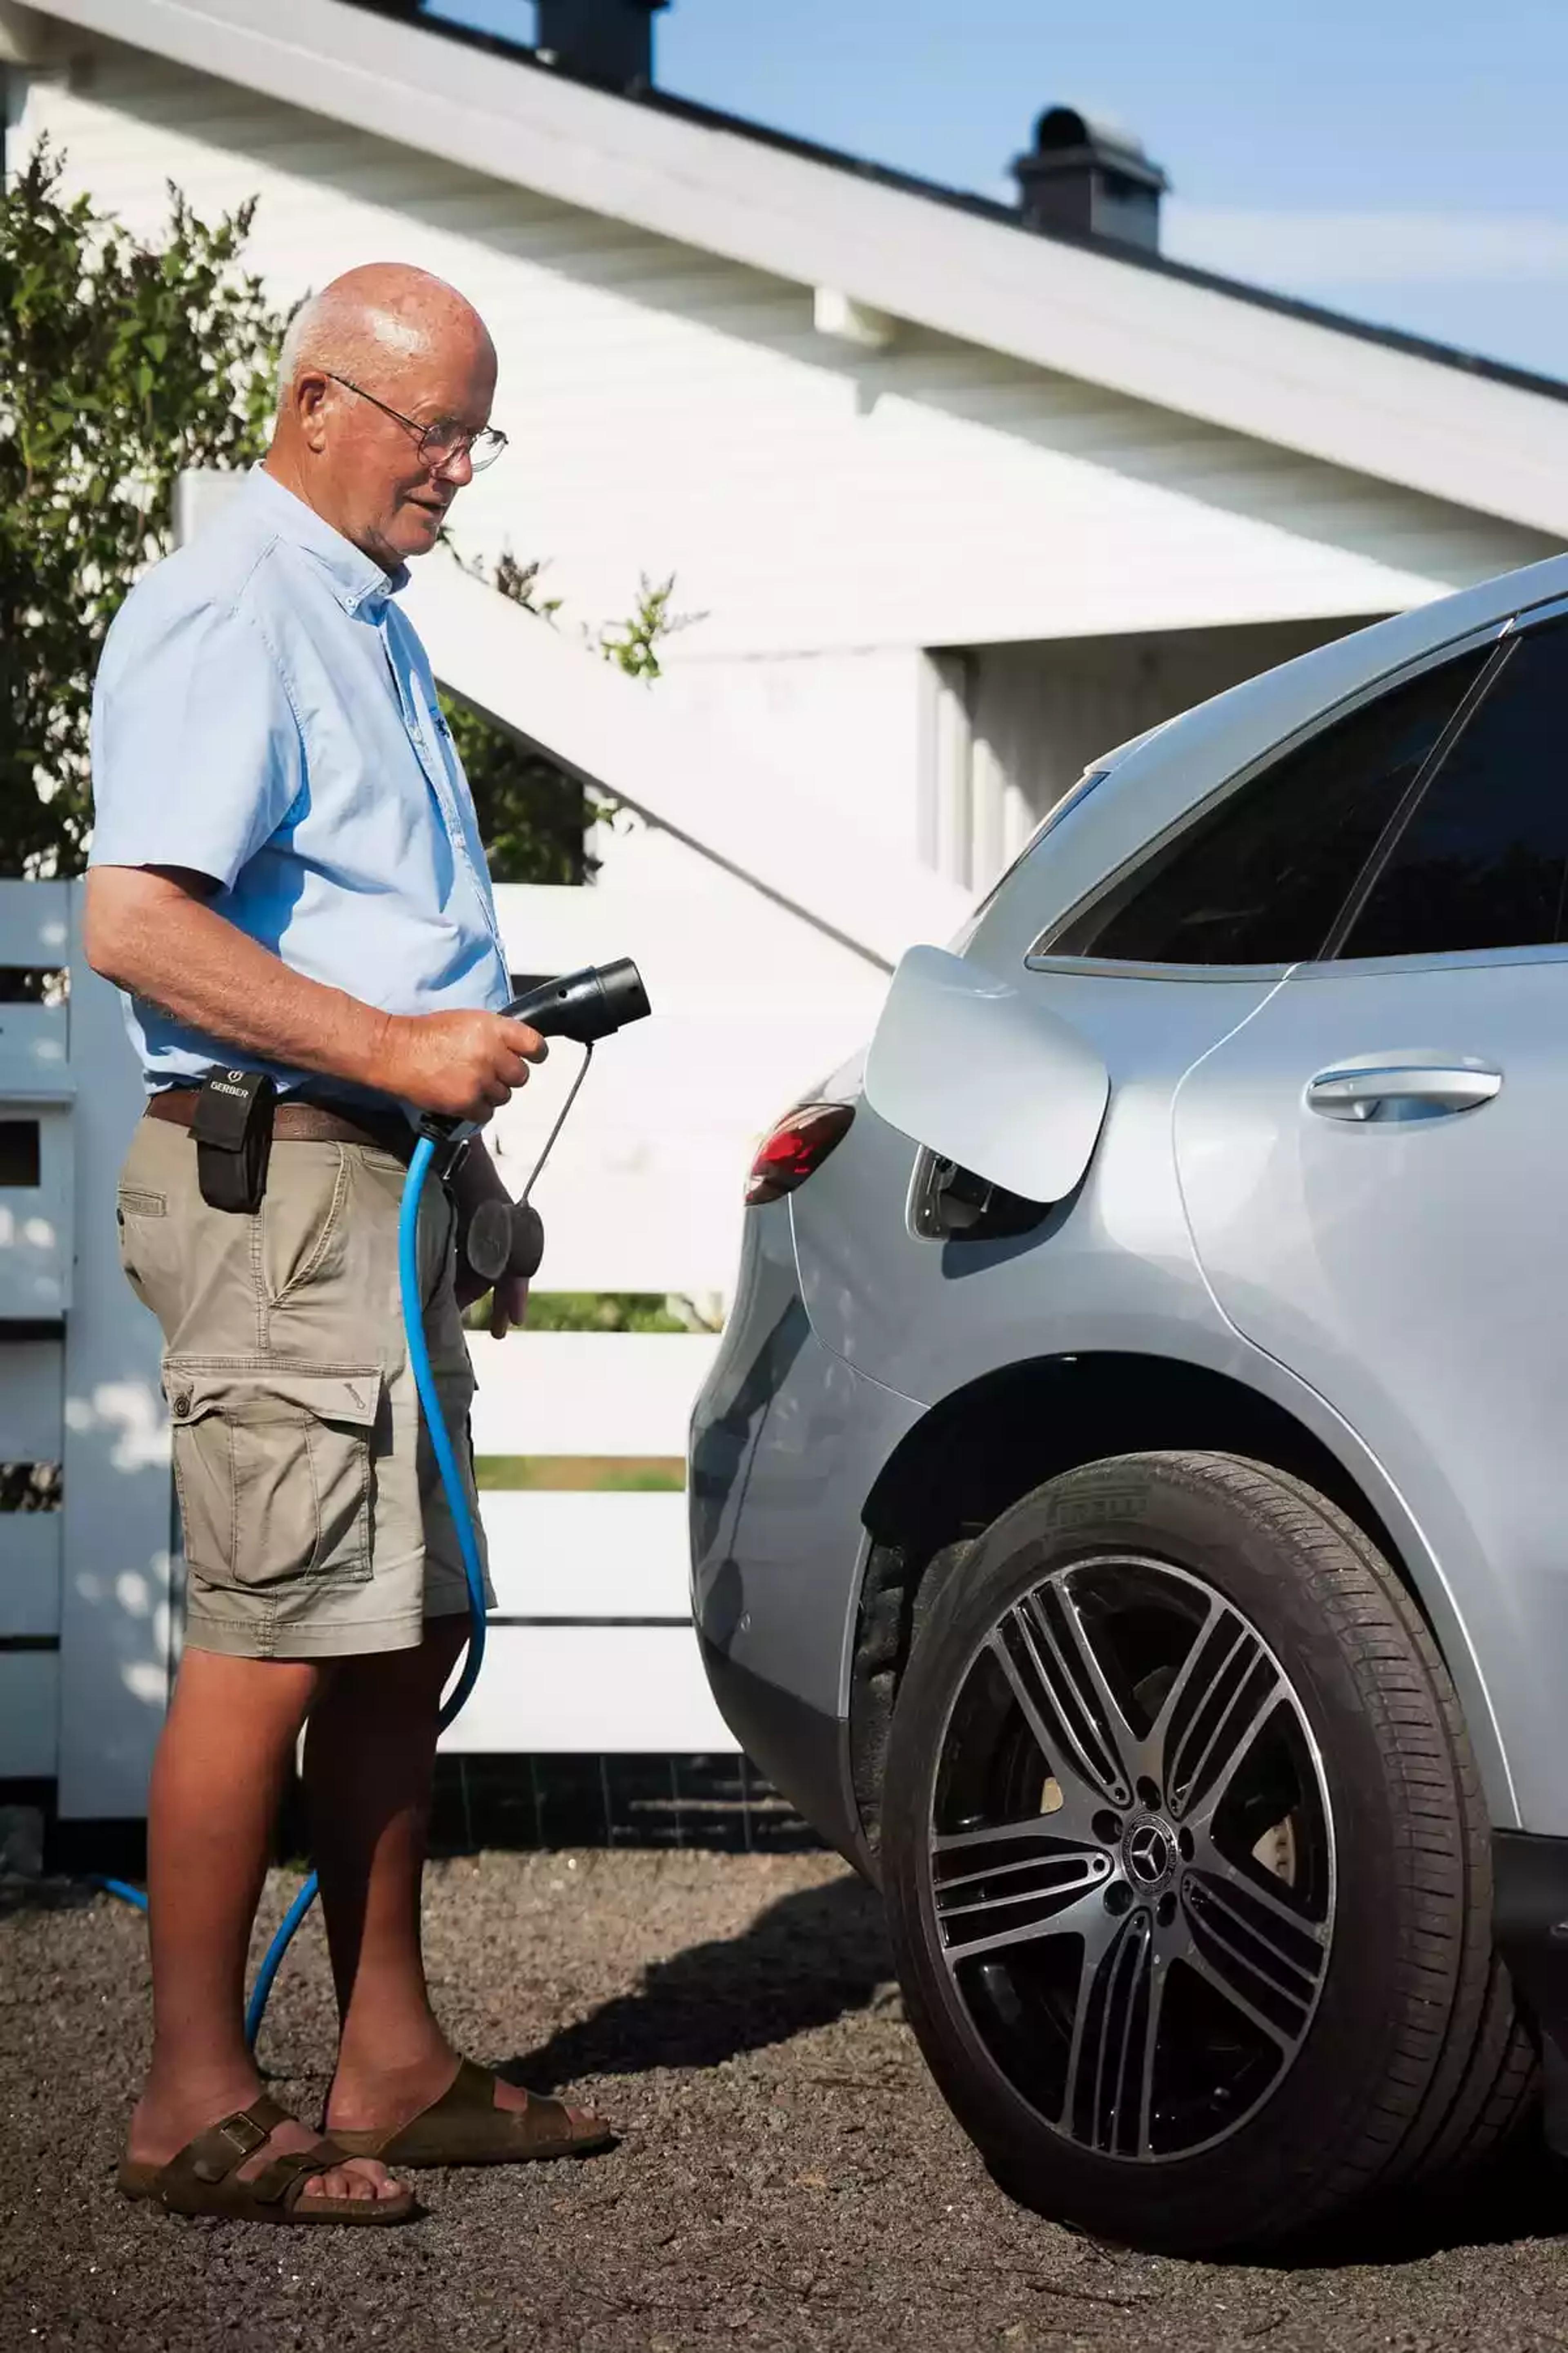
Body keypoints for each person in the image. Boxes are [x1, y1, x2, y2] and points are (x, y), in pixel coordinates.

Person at [86, 263, 611, 2226]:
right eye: (433, 430)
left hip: (367, 1186)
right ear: (316, 403)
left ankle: (385, 2061)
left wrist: (442, 1123)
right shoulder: (237, 602)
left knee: (396, 1622)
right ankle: (191, 2103)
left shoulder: (354, 616)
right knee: (273, 1636)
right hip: (279, 1180)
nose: (460, 470)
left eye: (477, 433)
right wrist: (396, 1047)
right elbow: (136, 921)